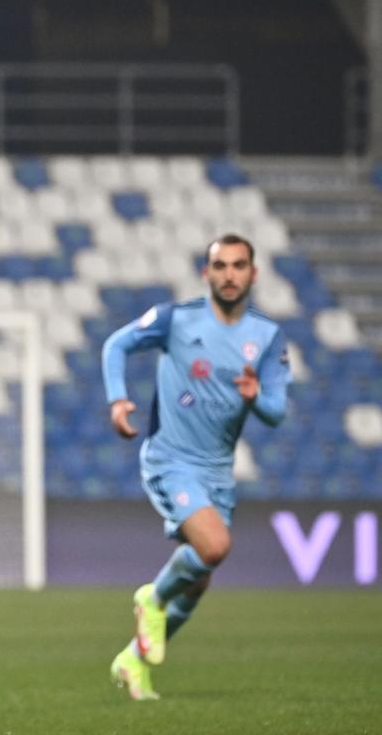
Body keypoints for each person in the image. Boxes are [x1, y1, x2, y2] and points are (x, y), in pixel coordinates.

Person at [102, 234, 291, 699]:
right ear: (206, 273)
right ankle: (152, 598)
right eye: (220, 266)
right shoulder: (176, 319)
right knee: (215, 546)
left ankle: (133, 660)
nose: (229, 275)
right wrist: (118, 400)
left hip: (217, 472)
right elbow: (115, 346)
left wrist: (256, 397)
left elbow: (276, 411)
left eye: (238, 265)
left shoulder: (266, 337)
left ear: (253, 274)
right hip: (170, 459)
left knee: (199, 581)